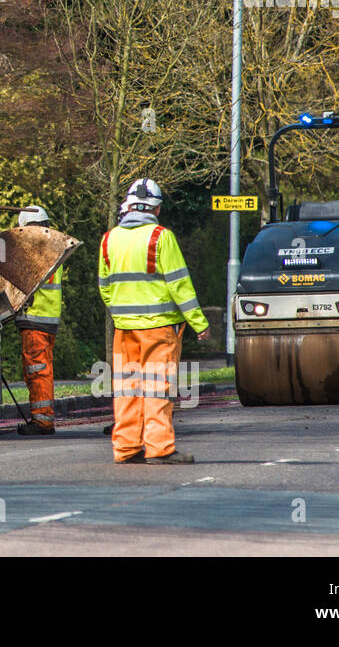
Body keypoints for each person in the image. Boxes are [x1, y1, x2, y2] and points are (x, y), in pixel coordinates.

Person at [98, 179, 209, 464]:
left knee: (127, 388)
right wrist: (199, 322)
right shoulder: (161, 237)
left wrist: (121, 312)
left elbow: (105, 286)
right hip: (159, 328)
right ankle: (159, 449)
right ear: (157, 209)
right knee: (157, 387)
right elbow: (179, 284)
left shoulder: (109, 239)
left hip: (124, 329)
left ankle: (126, 448)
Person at [14, 205, 63, 436]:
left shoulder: (32, 250)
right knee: (40, 368)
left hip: (35, 319)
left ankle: (42, 421)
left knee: (37, 370)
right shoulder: (54, 247)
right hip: (47, 318)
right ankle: (42, 417)